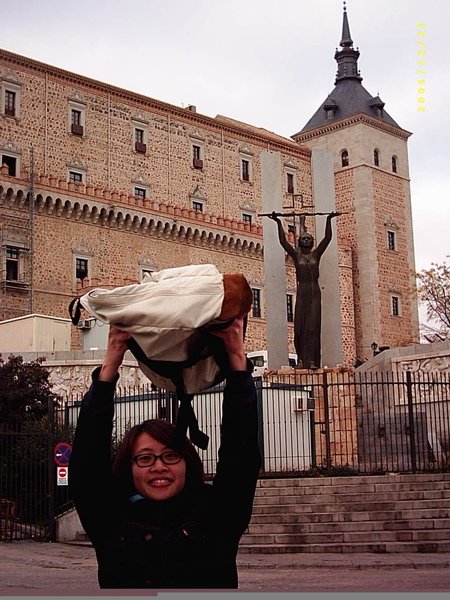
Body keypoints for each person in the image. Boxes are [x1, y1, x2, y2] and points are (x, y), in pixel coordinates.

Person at [69, 316, 261, 590]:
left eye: (170, 456)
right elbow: (87, 462)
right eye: (145, 458)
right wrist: (111, 362)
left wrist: (237, 361)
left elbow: (240, 455)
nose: (159, 467)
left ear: (187, 461)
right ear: (130, 466)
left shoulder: (217, 515)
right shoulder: (111, 519)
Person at [269, 211, 340, 369]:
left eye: (309, 238)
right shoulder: (296, 256)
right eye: (303, 238)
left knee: (313, 327)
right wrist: (278, 222)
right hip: (302, 291)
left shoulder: (316, 255)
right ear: (300, 241)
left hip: (315, 291)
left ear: (312, 241)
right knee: (300, 327)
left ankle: (313, 361)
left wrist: (329, 219)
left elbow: (327, 238)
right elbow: (283, 242)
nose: (306, 240)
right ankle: (301, 360)